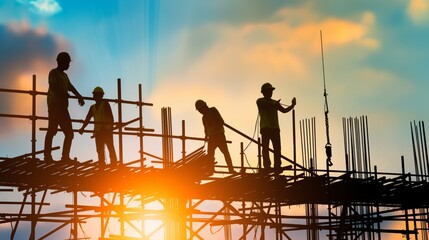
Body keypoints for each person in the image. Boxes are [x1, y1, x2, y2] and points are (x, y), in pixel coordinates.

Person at [44, 52, 85, 162]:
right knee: (52, 130)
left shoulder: (65, 76)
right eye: (67, 62)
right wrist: (63, 94)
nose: (68, 65)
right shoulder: (53, 73)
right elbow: (52, 86)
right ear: (60, 62)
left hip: (62, 107)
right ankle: (47, 156)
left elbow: (70, 87)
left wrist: (79, 96)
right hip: (54, 106)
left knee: (69, 134)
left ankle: (65, 157)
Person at [256, 82, 296, 173]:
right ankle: (267, 165)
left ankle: (277, 165)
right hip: (265, 128)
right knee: (265, 148)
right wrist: (274, 105)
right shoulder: (260, 101)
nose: (271, 93)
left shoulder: (274, 102)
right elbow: (266, 105)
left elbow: (284, 110)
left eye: (271, 91)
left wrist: (292, 105)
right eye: (269, 91)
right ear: (264, 92)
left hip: (275, 128)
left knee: (277, 148)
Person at [79, 86, 118, 165]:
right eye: (94, 95)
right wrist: (82, 128)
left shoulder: (105, 103)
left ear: (101, 95)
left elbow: (111, 116)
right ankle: (102, 164)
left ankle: (114, 163)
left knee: (110, 147)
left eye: (96, 95)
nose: (95, 97)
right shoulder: (92, 107)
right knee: (100, 150)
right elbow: (87, 119)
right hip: (98, 132)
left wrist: (111, 127)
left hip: (106, 130)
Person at [195, 100, 235, 173]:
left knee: (225, 152)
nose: (200, 112)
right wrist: (206, 136)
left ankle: (231, 169)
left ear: (204, 107)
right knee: (210, 154)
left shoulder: (213, 110)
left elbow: (221, 121)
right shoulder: (204, 118)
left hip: (219, 135)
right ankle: (211, 169)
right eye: (199, 110)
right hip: (212, 137)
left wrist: (215, 127)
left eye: (200, 110)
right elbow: (206, 129)